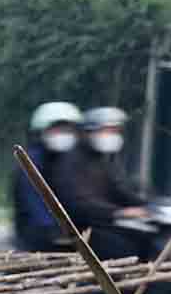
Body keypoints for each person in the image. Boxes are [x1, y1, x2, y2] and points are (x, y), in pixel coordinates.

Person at [52, 106, 152, 262]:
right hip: (81, 228)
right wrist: (118, 212)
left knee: (147, 237)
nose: (112, 135)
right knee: (125, 248)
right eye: (108, 130)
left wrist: (149, 206)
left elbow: (118, 189)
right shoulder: (69, 161)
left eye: (115, 131)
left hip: (103, 222)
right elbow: (78, 204)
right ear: (90, 131)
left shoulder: (102, 160)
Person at [12, 102, 82, 252]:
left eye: (67, 129)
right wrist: (53, 228)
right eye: (58, 129)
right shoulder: (31, 161)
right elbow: (33, 201)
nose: (63, 134)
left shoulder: (72, 159)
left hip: (70, 230)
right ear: (43, 131)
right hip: (38, 233)